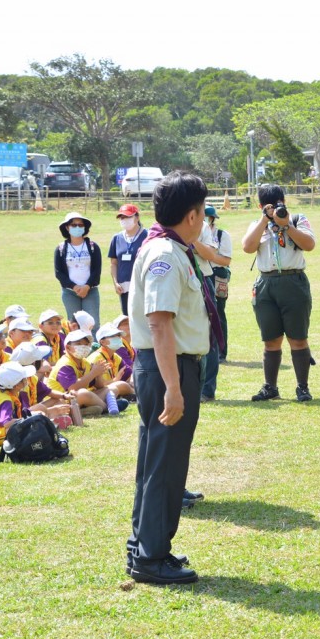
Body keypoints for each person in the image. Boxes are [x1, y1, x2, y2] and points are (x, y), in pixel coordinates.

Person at [125, 171, 212, 585]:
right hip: (167, 369)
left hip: (165, 367)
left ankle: (146, 543)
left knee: (155, 459)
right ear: (193, 215)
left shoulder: (172, 248)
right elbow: (160, 324)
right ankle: (150, 557)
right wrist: (174, 389)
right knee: (166, 463)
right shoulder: (166, 254)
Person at [243, 185, 316, 402]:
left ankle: (302, 387)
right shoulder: (258, 225)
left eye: (279, 204)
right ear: (261, 207)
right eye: (270, 206)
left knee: (298, 338)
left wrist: (287, 226)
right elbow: (247, 247)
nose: (276, 209)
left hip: (294, 281)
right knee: (270, 340)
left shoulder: (298, 220)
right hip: (266, 283)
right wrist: (264, 221)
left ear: (285, 201)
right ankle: (270, 387)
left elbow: (309, 244)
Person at [193, 205, 232, 401]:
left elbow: (214, 256)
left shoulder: (209, 230)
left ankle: (207, 389)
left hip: (208, 278)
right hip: (184, 278)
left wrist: (192, 241)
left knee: (213, 327)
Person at [54, 211, 101, 327]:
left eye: (80, 225)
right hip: (70, 292)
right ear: (67, 227)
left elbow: (97, 270)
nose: (77, 227)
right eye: (74, 225)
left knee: (92, 324)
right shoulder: (60, 248)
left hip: (90, 291)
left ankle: (93, 345)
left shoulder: (93, 246)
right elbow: (59, 272)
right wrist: (74, 287)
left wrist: (87, 286)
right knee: (74, 324)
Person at [47, 329, 108, 414]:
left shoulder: (85, 362)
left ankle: (82, 410)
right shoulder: (65, 364)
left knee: (108, 389)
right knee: (83, 393)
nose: (83, 347)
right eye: (79, 344)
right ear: (68, 347)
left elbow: (99, 386)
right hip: (60, 401)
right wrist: (93, 373)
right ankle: (108, 408)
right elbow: (73, 387)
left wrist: (98, 375)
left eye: (86, 344)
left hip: (75, 399)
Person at [108, 203, 148, 316]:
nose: (124, 220)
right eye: (122, 217)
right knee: (127, 318)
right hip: (124, 288)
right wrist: (115, 283)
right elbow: (114, 263)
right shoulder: (116, 238)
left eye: (128, 217)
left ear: (137, 217)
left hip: (142, 286)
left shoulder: (148, 236)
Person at [88, 322, 134, 402]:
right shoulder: (96, 358)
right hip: (93, 393)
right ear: (102, 342)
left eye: (119, 335)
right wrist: (115, 381)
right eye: (113, 336)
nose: (118, 338)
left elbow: (129, 374)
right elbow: (97, 386)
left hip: (108, 389)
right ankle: (136, 395)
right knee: (121, 385)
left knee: (129, 383)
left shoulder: (116, 357)